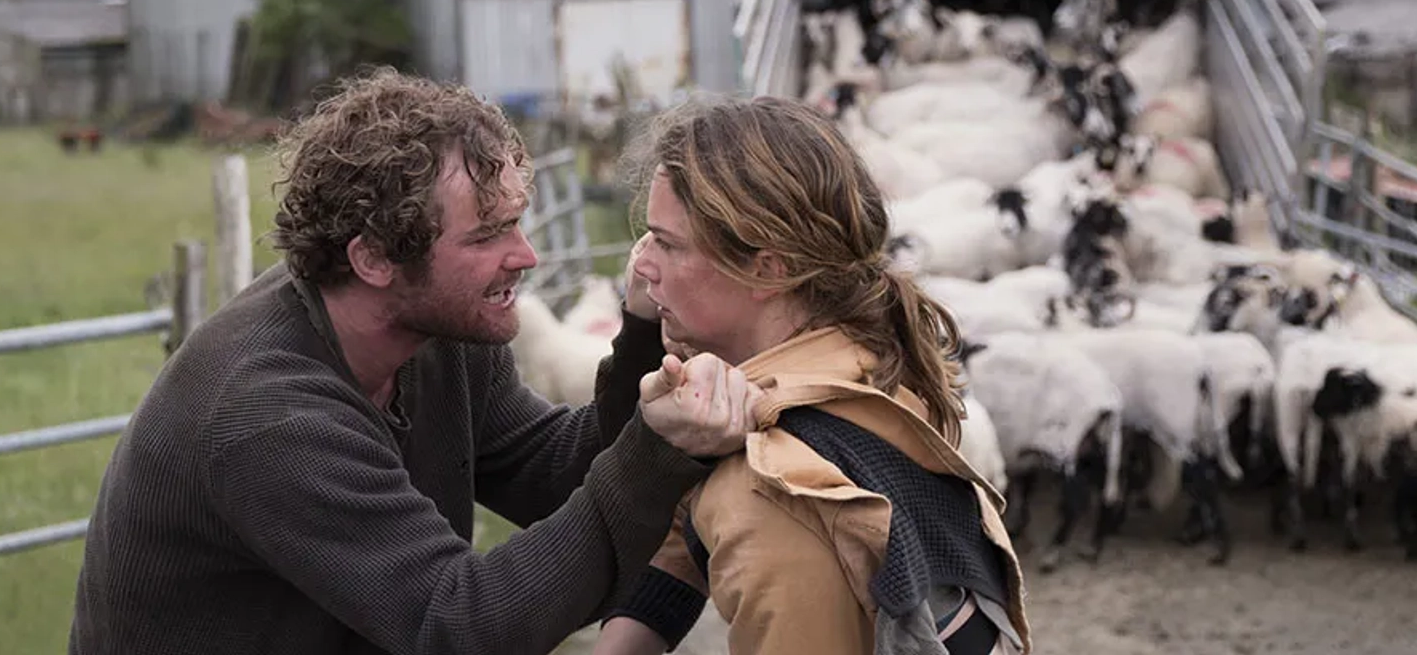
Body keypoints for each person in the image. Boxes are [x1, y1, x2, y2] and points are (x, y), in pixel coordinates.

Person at [67, 67, 763, 655]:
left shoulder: (435, 337)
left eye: (517, 220)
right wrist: (657, 449)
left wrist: (643, 335)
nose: (527, 256)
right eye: (489, 234)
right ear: (373, 257)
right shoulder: (268, 415)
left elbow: (554, 474)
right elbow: (457, 625)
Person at [592, 93, 1033, 655]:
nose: (641, 266)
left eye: (667, 243)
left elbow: (758, 514)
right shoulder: (873, 366)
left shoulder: (771, 490)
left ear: (767, 269)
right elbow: (689, 531)